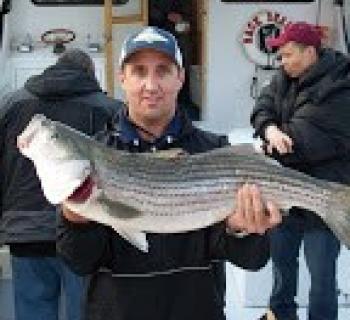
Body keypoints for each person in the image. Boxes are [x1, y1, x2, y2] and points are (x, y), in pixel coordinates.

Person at [57, 26, 282, 320]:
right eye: (139, 71)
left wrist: (241, 231)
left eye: (162, 71)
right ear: (122, 78)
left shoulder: (216, 151)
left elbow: (253, 261)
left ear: (181, 78)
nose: (151, 85)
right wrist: (76, 221)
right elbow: (79, 263)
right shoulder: (93, 156)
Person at [0, 48, 121, 320]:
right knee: (85, 312)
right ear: (90, 75)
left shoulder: (10, 105)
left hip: (24, 232)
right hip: (84, 232)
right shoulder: (109, 109)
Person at [250, 22, 350, 320]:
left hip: (323, 196)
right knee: (282, 266)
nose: (282, 62)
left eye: (288, 55)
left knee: (321, 279)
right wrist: (269, 129)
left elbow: (302, 139)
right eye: (279, 56)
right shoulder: (284, 78)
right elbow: (262, 106)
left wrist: (269, 144)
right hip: (284, 193)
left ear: (310, 52)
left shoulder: (341, 86)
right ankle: (280, 315)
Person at [149, 0, 199, 120]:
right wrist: (166, 16)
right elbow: (148, 13)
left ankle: (183, 102)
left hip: (179, 37)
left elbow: (190, 18)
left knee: (181, 68)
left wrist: (182, 19)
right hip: (157, 36)